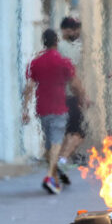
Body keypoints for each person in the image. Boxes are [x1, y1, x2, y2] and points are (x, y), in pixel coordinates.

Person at [22, 29, 87, 194]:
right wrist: (82, 97)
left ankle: (55, 178)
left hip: (42, 108)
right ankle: (50, 177)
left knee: (50, 144)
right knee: (57, 143)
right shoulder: (64, 62)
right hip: (58, 106)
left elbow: (29, 87)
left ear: (44, 42)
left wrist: (25, 109)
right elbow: (75, 84)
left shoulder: (35, 63)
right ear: (56, 42)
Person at [56, 17, 84, 182]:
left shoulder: (67, 47)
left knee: (67, 133)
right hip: (70, 95)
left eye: (77, 29)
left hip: (61, 95)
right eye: (73, 29)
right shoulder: (65, 48)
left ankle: (59, 165)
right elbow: (72, 75)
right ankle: (63, 160)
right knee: (79, 133)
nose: (76, 32)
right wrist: (82, 95)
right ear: (65, 30)